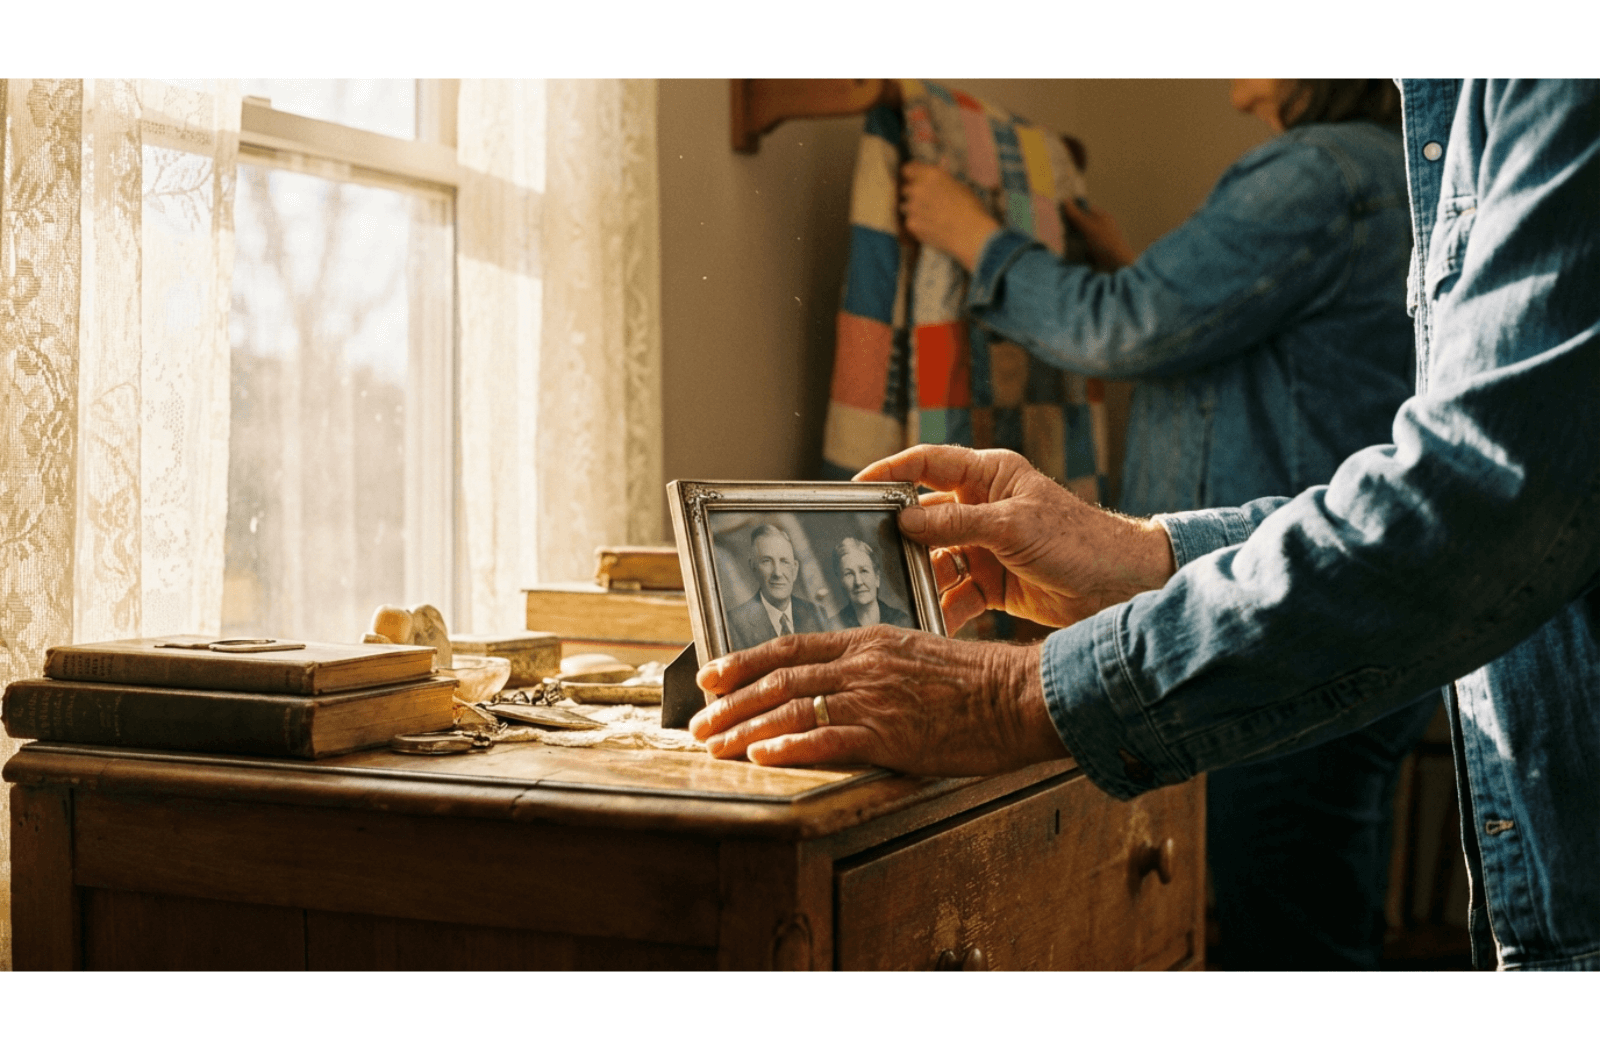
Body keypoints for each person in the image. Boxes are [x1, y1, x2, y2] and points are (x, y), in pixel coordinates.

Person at [689, 80, 1600, 972]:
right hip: (1330, 630)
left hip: (1305, 640)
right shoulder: (1426, 140)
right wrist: (1143, 554)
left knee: (1284, 949)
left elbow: (1490, 487)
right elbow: (1474, 473)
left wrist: (1014, 696)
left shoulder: (1331, 166)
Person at [898, 78, 1434, 969]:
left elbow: (1121, 330)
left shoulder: (1317, 172)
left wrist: (972, 238)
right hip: (1337, 605)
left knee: (1288, 947)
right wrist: (1124, 265)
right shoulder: (1395, 172)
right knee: (1313, 922)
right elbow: (1257, 350)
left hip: (1266, 617)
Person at [724, 524, 827, 652]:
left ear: (794, 570)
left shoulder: (815, 613)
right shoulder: (734, 624)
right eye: (767, 561)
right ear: (754, 568)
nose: (778, 573)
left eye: (784, 561)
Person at [831, 537, 913, 630]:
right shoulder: (834, 628)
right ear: (841, 582)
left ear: (877, 578)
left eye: (864, 571)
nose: (858, 582)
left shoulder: (902, 622)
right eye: (849, 574)